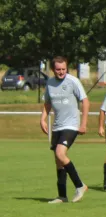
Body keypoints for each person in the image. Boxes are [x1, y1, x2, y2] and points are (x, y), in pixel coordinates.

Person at [40, 56, 90, 203]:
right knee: (58, 160)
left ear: (67, 68)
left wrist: (84, 123)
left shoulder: (73, 81)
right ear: (53, 70)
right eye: (58, 69)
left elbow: (85, 102)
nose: (61, 72)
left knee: (60, 153)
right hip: (57, 126)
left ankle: (80, 185)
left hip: (71, 125)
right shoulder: (50, 83)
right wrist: (42, 118)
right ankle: (62, 196)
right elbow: (47, 103)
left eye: (63, 69)